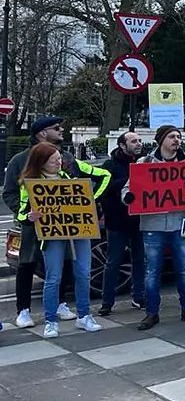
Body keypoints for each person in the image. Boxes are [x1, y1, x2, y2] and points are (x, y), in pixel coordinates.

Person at [3, 116, 109, 329]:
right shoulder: (20, 160)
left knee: (68, 262)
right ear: (42, 133)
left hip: (68, 224)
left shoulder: (68, 158)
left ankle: (62, 304)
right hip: (33, 224)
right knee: (28, 263)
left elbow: (83, 184)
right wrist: (27, 214)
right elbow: (11, 193)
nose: (61, 130)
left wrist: (90, 201)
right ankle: (23, 310)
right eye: (56, 128)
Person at [19, 142, 111, 338]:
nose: (59, 163)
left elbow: (104, 176)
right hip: (51, 236)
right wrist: (29, 217)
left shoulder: (68, 178)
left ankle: (84, 315)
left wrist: (91, 199)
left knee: (84, 274)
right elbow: (21, 214)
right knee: (53, 278)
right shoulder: (31, 184)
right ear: (41, 163)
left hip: (80, 231)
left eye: (59, 159)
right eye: (53, 161)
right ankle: (51, 320)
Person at [124, 125, 185, 330]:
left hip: (181, 223)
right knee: (152, 271)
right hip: (153, 225)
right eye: (172, 136)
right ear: (161, 140)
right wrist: (128, 197)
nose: (176, 140)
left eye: (178, 137)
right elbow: (128, 188)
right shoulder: (145, 163)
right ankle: (151, 313)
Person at [98, 131, 146, 316]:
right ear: (122, 145)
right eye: (134, 141)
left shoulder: (144, 162)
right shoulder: (110, 165)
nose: (138, 144)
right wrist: (130, 179)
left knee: (140, 260)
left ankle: (139, 296)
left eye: (140, 140)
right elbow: (104, 188)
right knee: (113, 263)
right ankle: (107, 302)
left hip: (139, 220)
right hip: (117, 221)